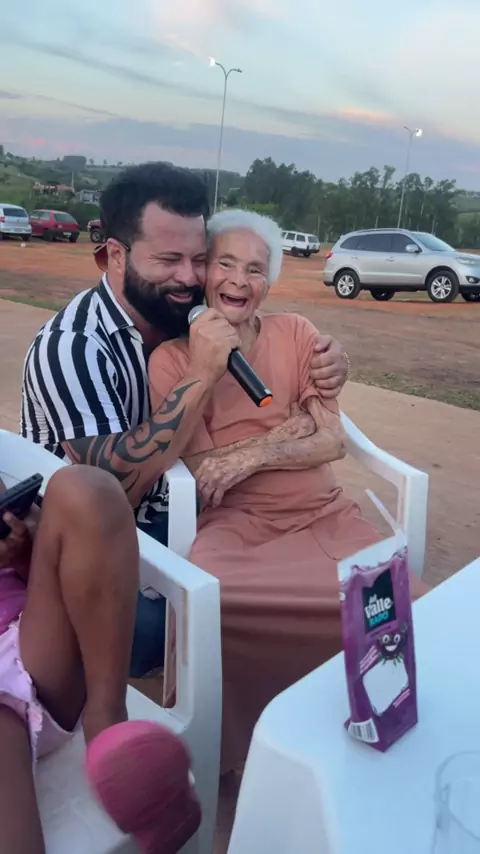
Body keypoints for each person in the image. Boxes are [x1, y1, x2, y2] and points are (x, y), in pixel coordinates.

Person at [20, 162, 350, 677]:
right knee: (163, 632)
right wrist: (200, 374)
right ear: (115, 255)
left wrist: (333, 361)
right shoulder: (74, 348)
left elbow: (260, 316)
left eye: (199, 259)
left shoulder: (176, 305)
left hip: (184, 509)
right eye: (169, 260)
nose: (190, 277)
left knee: (265, 596)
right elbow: (113, 492)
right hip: (88, 537)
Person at [148, 209, 428, 772]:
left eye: (254, 269)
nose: (238, 281)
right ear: (204, 273)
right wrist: (291, 429)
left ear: (269, 283)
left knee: (405, 607)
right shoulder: (173, 360)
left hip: (323, 514)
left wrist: (256, 451)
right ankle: (236, 757)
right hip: (236, 525)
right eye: (225, 264)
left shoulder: (297, 333)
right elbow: (207, 473)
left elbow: (331, 441)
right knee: (214, 607)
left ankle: (356, 735)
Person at [0, 465, 200, 853]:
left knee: (85, 490)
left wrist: (23, 551)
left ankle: (107, 724)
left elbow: (28, 545)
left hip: (29, 645)